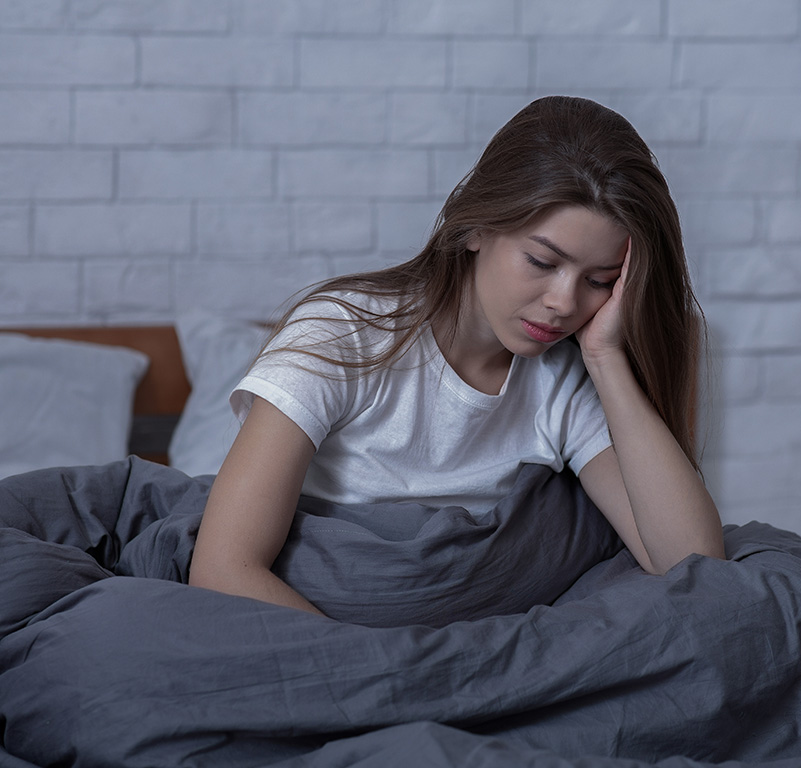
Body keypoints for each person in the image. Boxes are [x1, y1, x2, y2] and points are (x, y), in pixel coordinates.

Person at [189, 95, 725, 616]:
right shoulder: (339, 336)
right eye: (541, 262)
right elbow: (222, 569)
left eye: (599, 281)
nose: (564, 303)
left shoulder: (563, 378)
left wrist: (607, 357)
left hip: (468, 640)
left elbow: (691, 562)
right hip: (332, 634)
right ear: (476, 227)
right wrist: (390, 671)